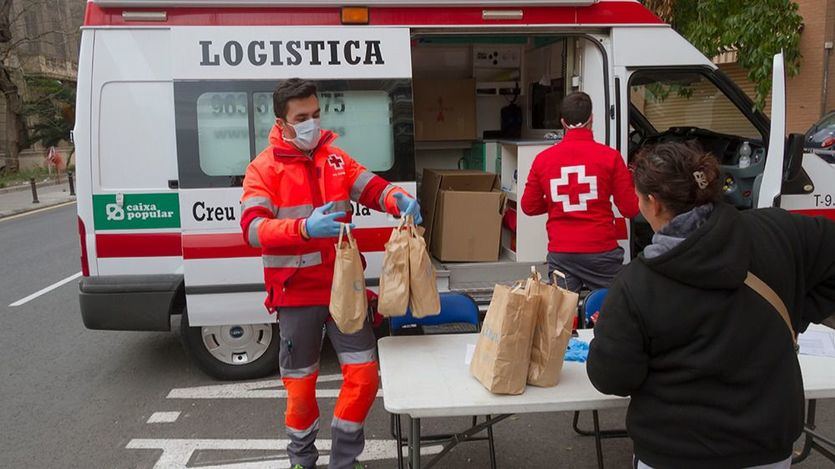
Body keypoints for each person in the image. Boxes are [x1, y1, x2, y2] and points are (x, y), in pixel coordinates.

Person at [587, 142, 835, 468]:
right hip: (766, 448)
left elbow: (612, 378)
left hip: (673, 451)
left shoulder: (637, 284)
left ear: (652, 203)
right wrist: (796, 312)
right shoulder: (779, 230)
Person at [239, 78, 421, 469]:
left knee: (365, 376)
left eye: (316, 114)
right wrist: (304, 228)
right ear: (282, 123)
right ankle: (302, 460)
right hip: (296, 294)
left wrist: (398, 198)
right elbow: (253, 230)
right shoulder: (263, 169)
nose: (311, 123)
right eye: (301, 117)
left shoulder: (335, 158)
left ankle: (344, 460)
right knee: (301, 389)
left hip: (345, 290)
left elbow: (371, 187)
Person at [521, 91, 638, 292]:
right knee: (612, 311)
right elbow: (630, 208)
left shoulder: (543, 160)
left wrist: (556, 202)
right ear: (591, 119)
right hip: (601, 252)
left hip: (562, 253)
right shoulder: (610, 157)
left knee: (560, 317)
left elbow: (528, 206)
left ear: (563, 122)